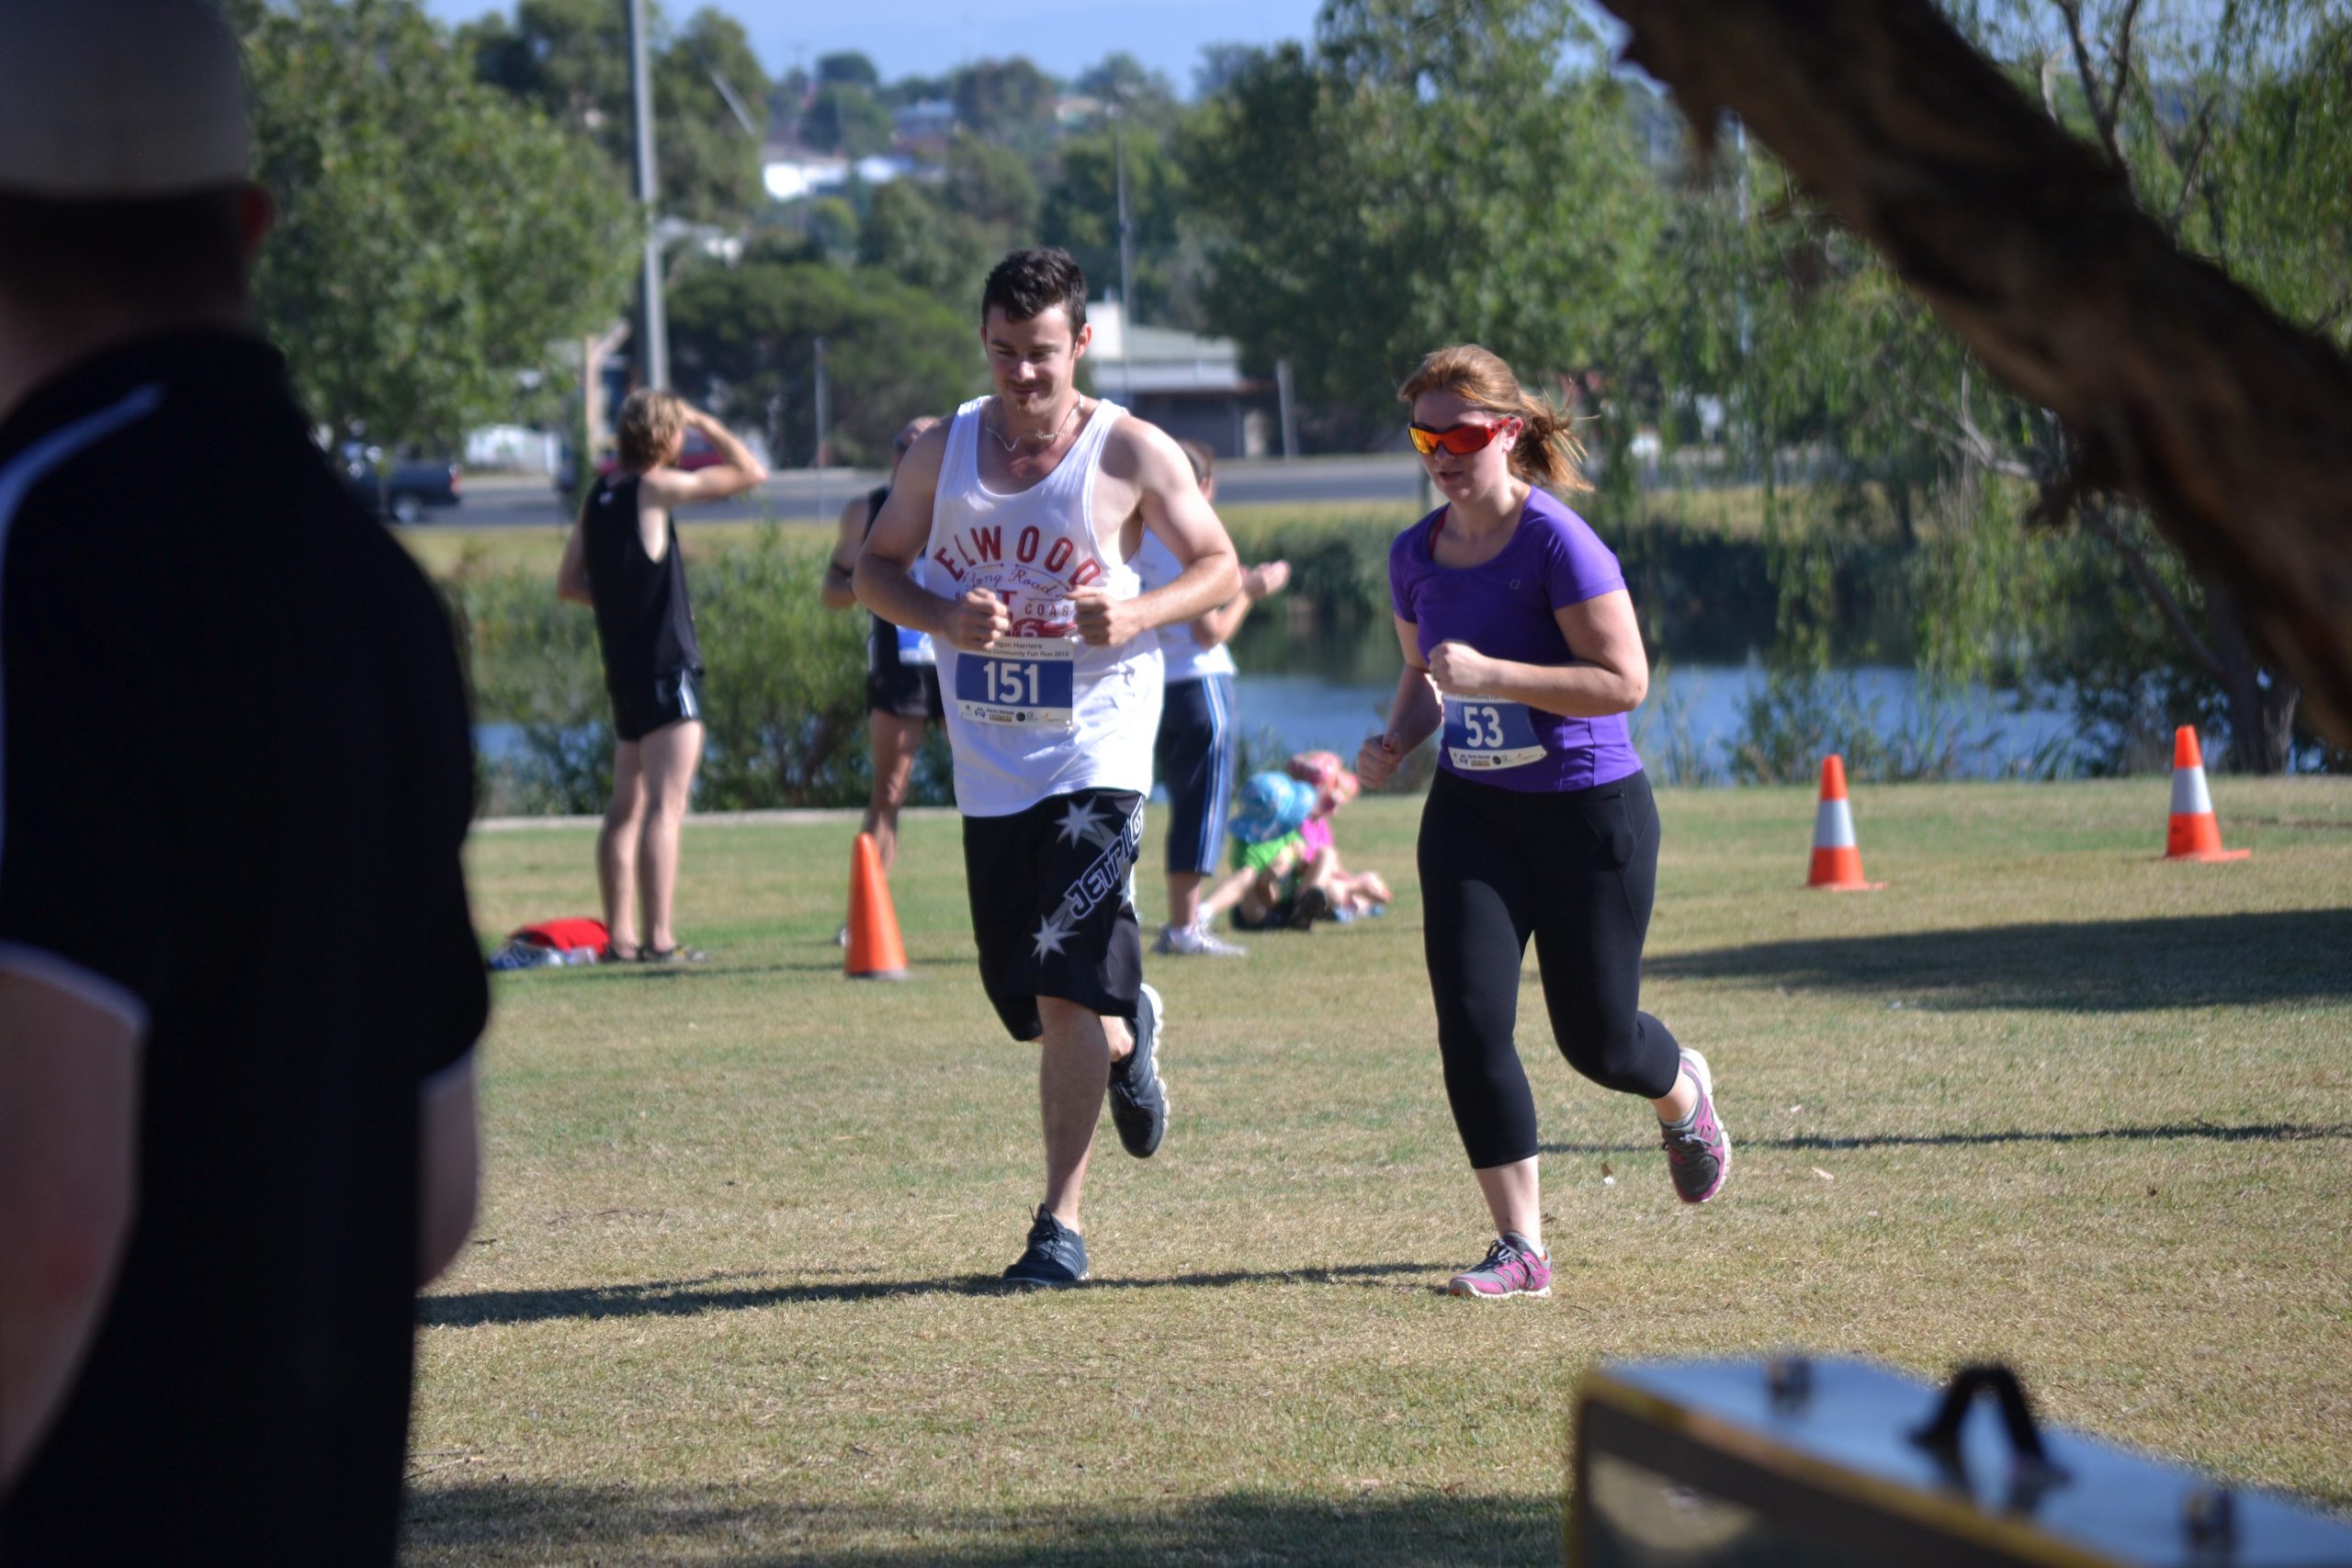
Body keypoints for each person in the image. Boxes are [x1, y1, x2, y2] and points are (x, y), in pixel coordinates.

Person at [0, 3, 489, 1560]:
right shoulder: (374, 586)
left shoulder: (39, 561)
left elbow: (44, 1214)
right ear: (251, 223)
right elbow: (433, 1190)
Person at [855, 247, 1240, 1286]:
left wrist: (1140, 610)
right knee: (1026, 994)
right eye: (1002, 352)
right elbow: (873, 572)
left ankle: (1058, 1225)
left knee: (1065, 988)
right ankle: (1128, 1029)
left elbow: (1219, 566)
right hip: (991, 759)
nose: (1021, 374)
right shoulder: (941, 451)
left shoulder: (1129, 451)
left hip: (1096, 746)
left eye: (1040, 353)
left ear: (1081, 343)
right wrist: (942, 615)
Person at [1357, 344, 1731, 1303]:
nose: (1442, 456)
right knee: (1472, 1021)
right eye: (1425, 439)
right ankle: (1520, 1247)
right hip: (1471, 813)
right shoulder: (1413, 555)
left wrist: (1496, 676)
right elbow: (1424, 674)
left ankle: (1681, 1091)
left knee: (1599, 1042)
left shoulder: (1559, 544)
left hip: (1586, 813)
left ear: (1508, 432)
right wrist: (1396, 739)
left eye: (1461, 437)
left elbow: (1624, 681)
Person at [557, 389, 768, 962]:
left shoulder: (599, 494)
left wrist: (625, 601)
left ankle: (621, 939)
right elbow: (750, 473)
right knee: (665, 808)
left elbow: (569, 583)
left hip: (624, 673)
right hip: (667, 669)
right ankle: (659, 940)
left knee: (624, 809)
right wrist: (703, 420)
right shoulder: (654, 487)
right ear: (666, 436)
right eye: (679, 431)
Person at [1131, 439, 1291, 957]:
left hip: (1145, 685)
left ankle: (1129, 913)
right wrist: (1250, 591)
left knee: (1134, 802)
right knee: (1200, 808)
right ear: (1204, 485)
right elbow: (1209, 632)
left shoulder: (1131, 532)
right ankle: (1184, 927)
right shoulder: (1191, 537)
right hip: (1198, 685)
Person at [822, 415, 944, 932]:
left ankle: (1012, 909)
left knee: (992, 783)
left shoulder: (966, 503)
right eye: (901, 446)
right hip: (899, 664)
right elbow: (832, 592)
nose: (908, 456)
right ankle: (862, 920)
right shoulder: (867, 511)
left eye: (921, 446)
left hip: (960, 656)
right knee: (889, 791)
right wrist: (875, 582)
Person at [1199, 771, 1318, 931]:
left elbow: (1303, 870)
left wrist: (1302, 862)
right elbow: (1270, 898)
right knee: (1247, 875)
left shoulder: (1290, 833)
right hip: (1260, 909)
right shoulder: (1249, 847)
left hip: (1291, 902)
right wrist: (1268, 879)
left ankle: (1304, 909)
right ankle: (1203, 912)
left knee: (1326, 855)